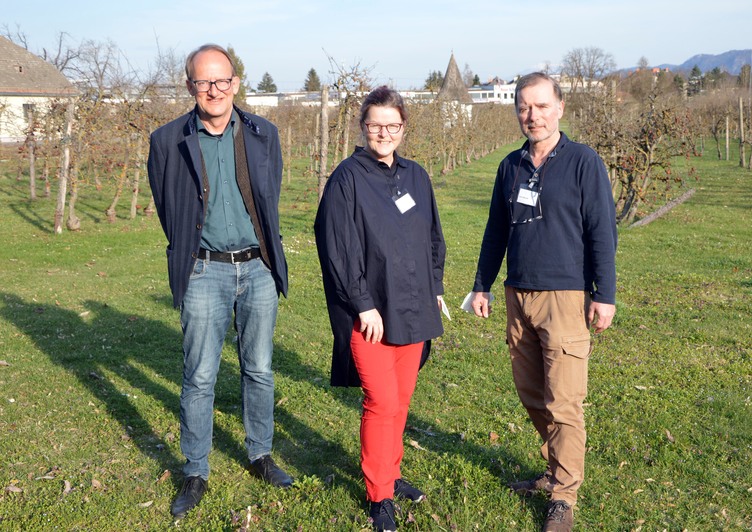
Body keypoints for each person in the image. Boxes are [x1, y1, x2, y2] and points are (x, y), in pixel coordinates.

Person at [147, 43, 293, 519]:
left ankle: (260, 453)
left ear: (236, 82)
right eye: (204, 82)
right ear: (190, 86)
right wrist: (192, 250)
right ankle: (195, 470)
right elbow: (169, 206)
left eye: (222, 80)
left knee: (260, 368)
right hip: (204, 269)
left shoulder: (264, 133)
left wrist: (264, 258)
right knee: (199, 375)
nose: (214, 90)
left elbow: (269, 197)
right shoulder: (167, 141)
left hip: (257, 268)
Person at [469, 72, 617, 532]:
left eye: (541, 106)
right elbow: (496, 230)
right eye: (524, 107)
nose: (532, 116)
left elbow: (602, 230)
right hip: (518, 294)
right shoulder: (510, 166)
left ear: (560, 108)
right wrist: (482, 284)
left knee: (564, 400)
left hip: (565, 296)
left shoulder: (583, 162)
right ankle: (555, 468)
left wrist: (604, 294)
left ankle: (563, 496)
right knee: (532, 392)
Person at [314, 86, 446, 531]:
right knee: (382, 401)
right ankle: (378, 496)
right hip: (370, 315)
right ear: (363, 127)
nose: (384, 133)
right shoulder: (347, 179)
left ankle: (390, 473)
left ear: (404, 127)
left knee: (402, 401)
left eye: (393, 125)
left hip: (413, 307)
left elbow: (433, 237)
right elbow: (337, 249)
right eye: (375, 125)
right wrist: (363, 304)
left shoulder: (416, 176)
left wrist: (435, 285)